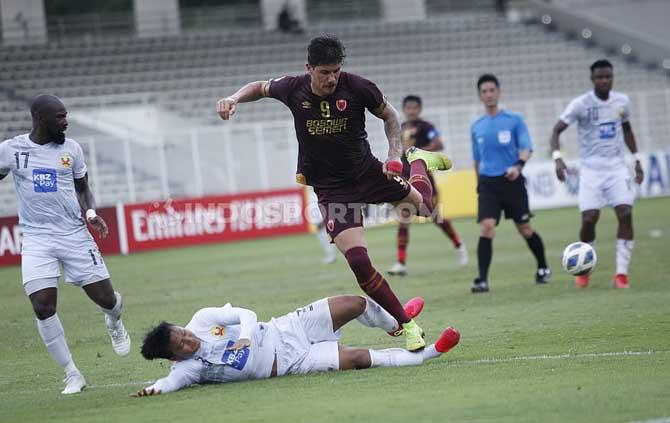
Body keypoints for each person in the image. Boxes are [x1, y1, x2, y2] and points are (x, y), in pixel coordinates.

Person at [215, 35, 452, 351]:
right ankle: (408, 327)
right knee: (358, 260)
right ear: (309, 68)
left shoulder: (357, 86)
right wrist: (233, 97)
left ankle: (418, 159)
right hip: (332, 189)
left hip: (369, 172)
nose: (331, 78)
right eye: (325, 72)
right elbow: (260, 87)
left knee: (425, 208)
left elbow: (390, 116)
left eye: (336, 71)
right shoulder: (292, 88)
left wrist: (396, 153)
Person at [0, 94, 130, 394]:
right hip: (37, 238)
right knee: (42, 306)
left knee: (106, 300)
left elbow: (83, 188)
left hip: (74, 235)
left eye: (66, 116)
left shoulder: (72, 149)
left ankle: (114, 320)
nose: (65, 122)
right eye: (60, 117)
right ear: (40, 119)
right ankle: (72, 373)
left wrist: (90, 212)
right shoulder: (12, 149)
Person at [132, 295, 460, 397]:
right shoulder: (188, 370)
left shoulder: (202, 319)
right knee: (359, 358)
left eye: (183, 332)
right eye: (183, 343)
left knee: (354, 303)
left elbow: (245, 313)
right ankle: (430, 353)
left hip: (287, 327)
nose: (190, 338)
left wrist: (246, 334)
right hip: (294, 362)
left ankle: (395, 324)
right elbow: (170, 382)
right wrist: (155, 389)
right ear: (175, 356)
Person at [550, 60, 644, 289]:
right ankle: (583, 270)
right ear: (592, 79)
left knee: (625, 213)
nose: (604, 80)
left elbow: (627, 129)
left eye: (608, 76)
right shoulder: (581, 104)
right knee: (589, 219)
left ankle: (621, 274)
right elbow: (556, 130)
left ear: (612, 78)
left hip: (616, 167)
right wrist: (557, 158)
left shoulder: (622, 102)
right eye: (600, 77)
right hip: (591, 170)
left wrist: (637, 160)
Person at [470, 74, 551, 293]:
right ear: (480, 96)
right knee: (486, 227)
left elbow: (527, 148)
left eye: (491, 90)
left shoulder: (515, 120)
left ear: (499, 92)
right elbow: (477, 159)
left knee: (524, 229)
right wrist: (479, 184)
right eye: (484, 91)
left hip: (512, 181)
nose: (488, 94)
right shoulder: (476, 126)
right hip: (488, 184)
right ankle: (482, 280)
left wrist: (518, 166)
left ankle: (543, 267)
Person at [387, 95, 468, 277]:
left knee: (434, 215)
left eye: (414, 108)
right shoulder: (400, 129)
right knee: (403, 217)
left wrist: (421, 153)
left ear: (419, 109)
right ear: (404, 109)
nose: (411, 111)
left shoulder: (425, 127)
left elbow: (439, 143)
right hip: (406, 178)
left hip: (424, 177)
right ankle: (401, 262)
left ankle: (458, 244)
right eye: (408, 108)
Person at [306, 186, 337, 264]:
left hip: (323, 213)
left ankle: (331, 255)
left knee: (324, 234)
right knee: (322, 234)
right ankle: (330, 255)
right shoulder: (311, 193)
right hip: (319, 214)